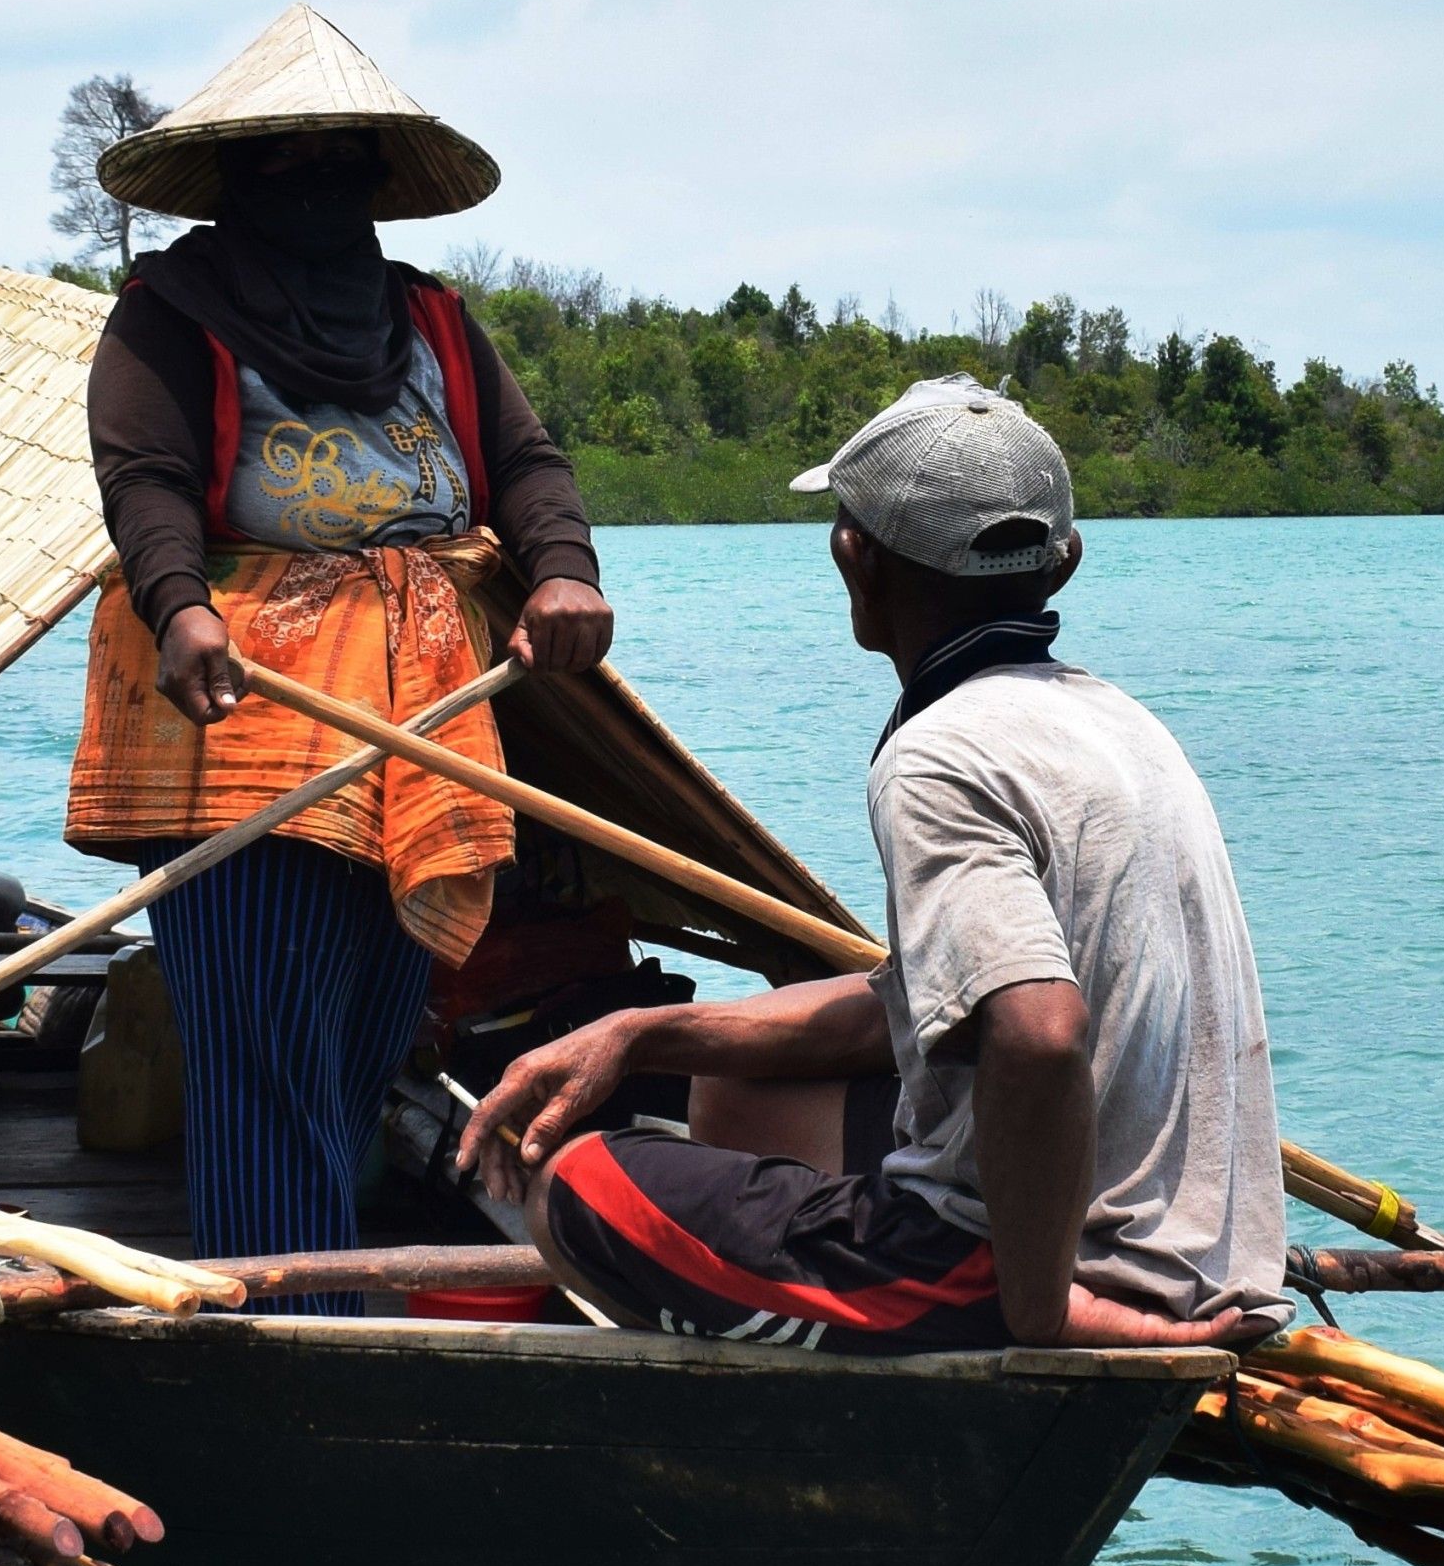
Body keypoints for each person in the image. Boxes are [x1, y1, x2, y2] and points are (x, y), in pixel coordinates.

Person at [458, 376, 1286, 1354]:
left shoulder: (940, 754)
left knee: (577, 1188)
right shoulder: (1115, 722)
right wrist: (639, 1033)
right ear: (1062, 562)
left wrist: (1042, 1310)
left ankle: (887, 1351)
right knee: (731, 1094)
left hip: (1040, 1273)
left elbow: (1038, 1033)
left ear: (854, 554)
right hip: (1202, 1260)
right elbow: (924, 1002)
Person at [64, 3, 610, 1281]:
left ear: (374, 182)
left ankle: (323, 1276)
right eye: (282, 161)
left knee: (369, 1033)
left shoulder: (425, 319)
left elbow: (526, 466)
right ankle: (271, 1313)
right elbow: (142, 479)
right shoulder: (169, 312)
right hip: (246, 728)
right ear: (236, 180)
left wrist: (564, 575)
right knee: (265, 1043)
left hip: (415, 727)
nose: (312, 186)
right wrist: (184, 606)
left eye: (337, 163)